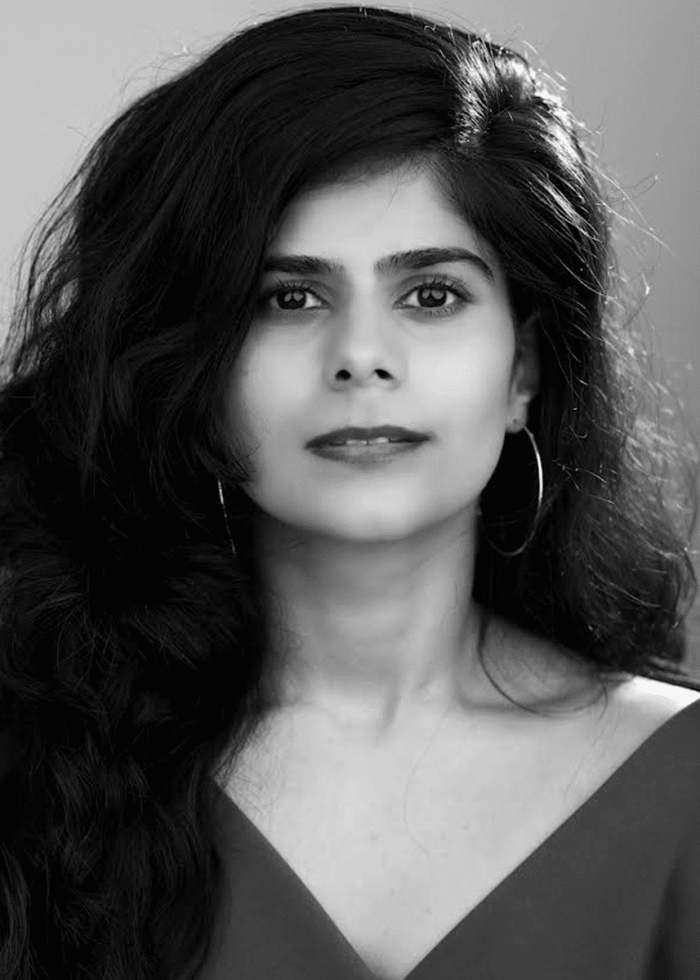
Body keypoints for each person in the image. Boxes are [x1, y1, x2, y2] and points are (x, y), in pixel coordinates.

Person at [0, 4, 699, 979]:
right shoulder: (39, 765)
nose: (361, 357)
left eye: (431, 295)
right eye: (288, 298)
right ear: (188, 370)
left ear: (524, 370)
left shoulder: (680, 790)